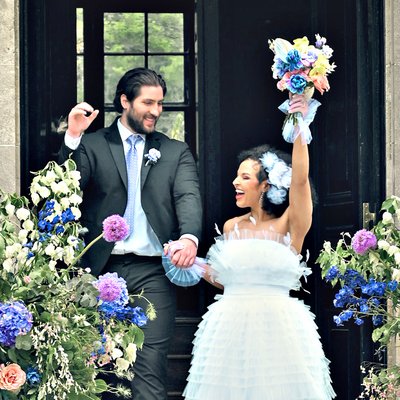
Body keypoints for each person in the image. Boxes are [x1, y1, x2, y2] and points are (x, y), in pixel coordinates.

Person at [58, 67, 203, 400]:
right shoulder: (92, 145)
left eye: (160, 103)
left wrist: (189, 238)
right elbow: (66, 186)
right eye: (148, 102)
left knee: (149, 368)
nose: (156, 111)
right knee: (97, 369)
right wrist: (72, 139)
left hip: (152, 273)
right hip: (97, 272)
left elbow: (188, 196)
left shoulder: (174, 151)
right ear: (125, 101)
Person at [182, 94, 335, 399]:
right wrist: (192, 264)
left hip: (278, 326)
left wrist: (299, 126)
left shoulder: (289, 225)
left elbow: (301, 182)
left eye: (245, 176)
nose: (235, 182)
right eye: (236, 176)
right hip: (228, 326)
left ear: (266, 184)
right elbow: (223, 279)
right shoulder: (231, 227)